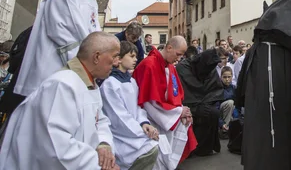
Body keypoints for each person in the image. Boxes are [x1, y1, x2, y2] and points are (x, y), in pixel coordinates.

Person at [0, 32, 120, 169]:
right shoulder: (62, 85)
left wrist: (104, 144)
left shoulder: (91, 86)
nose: (117, 63)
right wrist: (99, 165)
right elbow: (55, 147)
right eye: (115, 56)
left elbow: (101, 120)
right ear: (97, 57)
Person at [235, 0, 291, 170]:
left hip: (269, 72)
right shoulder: (277, 23)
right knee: (271, 125)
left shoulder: (275, 21)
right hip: (270, 76)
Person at [14, 0, 112, 97]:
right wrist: (86, 65)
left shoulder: (92, 2)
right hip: (54, 67)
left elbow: (94, 36)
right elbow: (64, 33)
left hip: (76, 69)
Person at [133, 36, 197, 168]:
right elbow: (149, 101)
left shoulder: (170, 66)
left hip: (167, 115)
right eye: (178, 54)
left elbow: (175, 95)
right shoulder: (149, 65)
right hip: (152, 118)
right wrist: (179, 112)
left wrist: (183, 112)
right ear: (169, 48)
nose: (179, 59)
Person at [100, 41, 159, 169]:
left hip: (135, 129)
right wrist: (140, 132)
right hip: (121, 136)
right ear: (119, 59)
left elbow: (138, 108)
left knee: (155, 147)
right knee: (149, 149)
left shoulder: (132, 81)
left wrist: (145, 124)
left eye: (136, 56)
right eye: (131, 56)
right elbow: (118, 116)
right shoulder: (110, 84)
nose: (136, 59)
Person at [177, 46, 227, 156]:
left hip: (205, 103)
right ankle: (189, 149)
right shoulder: (183, 68)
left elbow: (214, 90)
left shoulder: (210, 69)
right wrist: (196, 108)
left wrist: (205, 104)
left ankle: (204, 148)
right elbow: (180, 93)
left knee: (213, 113)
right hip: (187, 106)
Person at [219, 66, 238, 138]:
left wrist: (236, 118)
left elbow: (236, 105)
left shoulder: (233, 88)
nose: (227, 79)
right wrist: (221, 123)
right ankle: (224, 129)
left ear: (232, 77)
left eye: (229, 77)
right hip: (220, 114)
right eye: (224, 77)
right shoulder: (218, 88)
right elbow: (216, 108)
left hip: (231, 112)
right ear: (221, 77)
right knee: (230, 102)